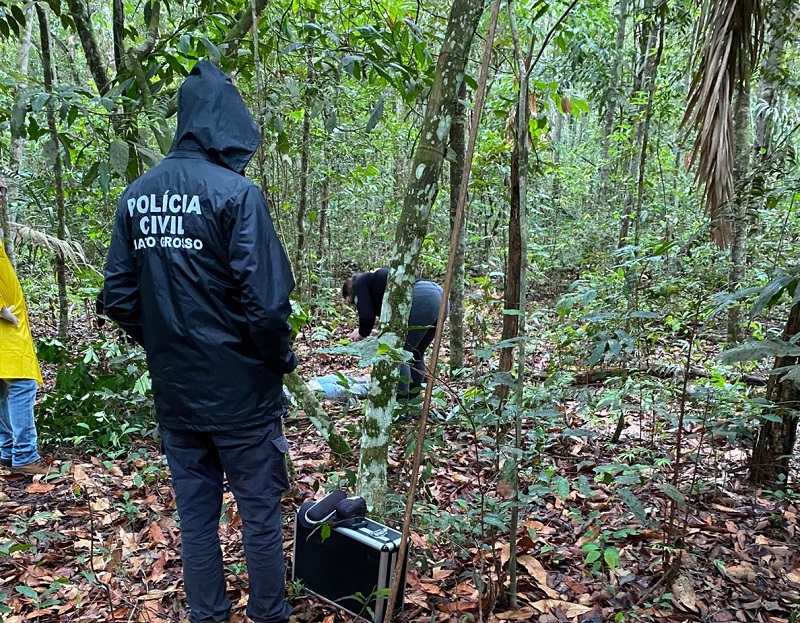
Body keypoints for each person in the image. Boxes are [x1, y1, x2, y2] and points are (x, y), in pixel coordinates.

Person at [102, 61, 297, 623]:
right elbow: (266, 304)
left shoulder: (136, 196)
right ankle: (268, 614)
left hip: (179, 394)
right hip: (243, 398)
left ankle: (208, 615)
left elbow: (119, 297)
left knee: (196, 520)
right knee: (260, 516)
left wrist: (167, 343)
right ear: (227, 122)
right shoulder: (238, 195)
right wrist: (277, 359)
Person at [342, 267, 446, 398]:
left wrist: (362, 332)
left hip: (421, 298)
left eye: (353, 302)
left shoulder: (359, 283)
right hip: (440, 297)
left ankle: (400, 403)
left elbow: (367, 315)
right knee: (415, 354)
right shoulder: (374, 283)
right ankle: (412, 400)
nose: (355, 306)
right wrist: (377, 332)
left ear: (351, 293)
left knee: (399, 353)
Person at [0, 219, 47, 476]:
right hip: (6, 333)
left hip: (8, 331)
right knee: (22, 385)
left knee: (3, 390)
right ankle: (25, 455)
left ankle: (7, 450)